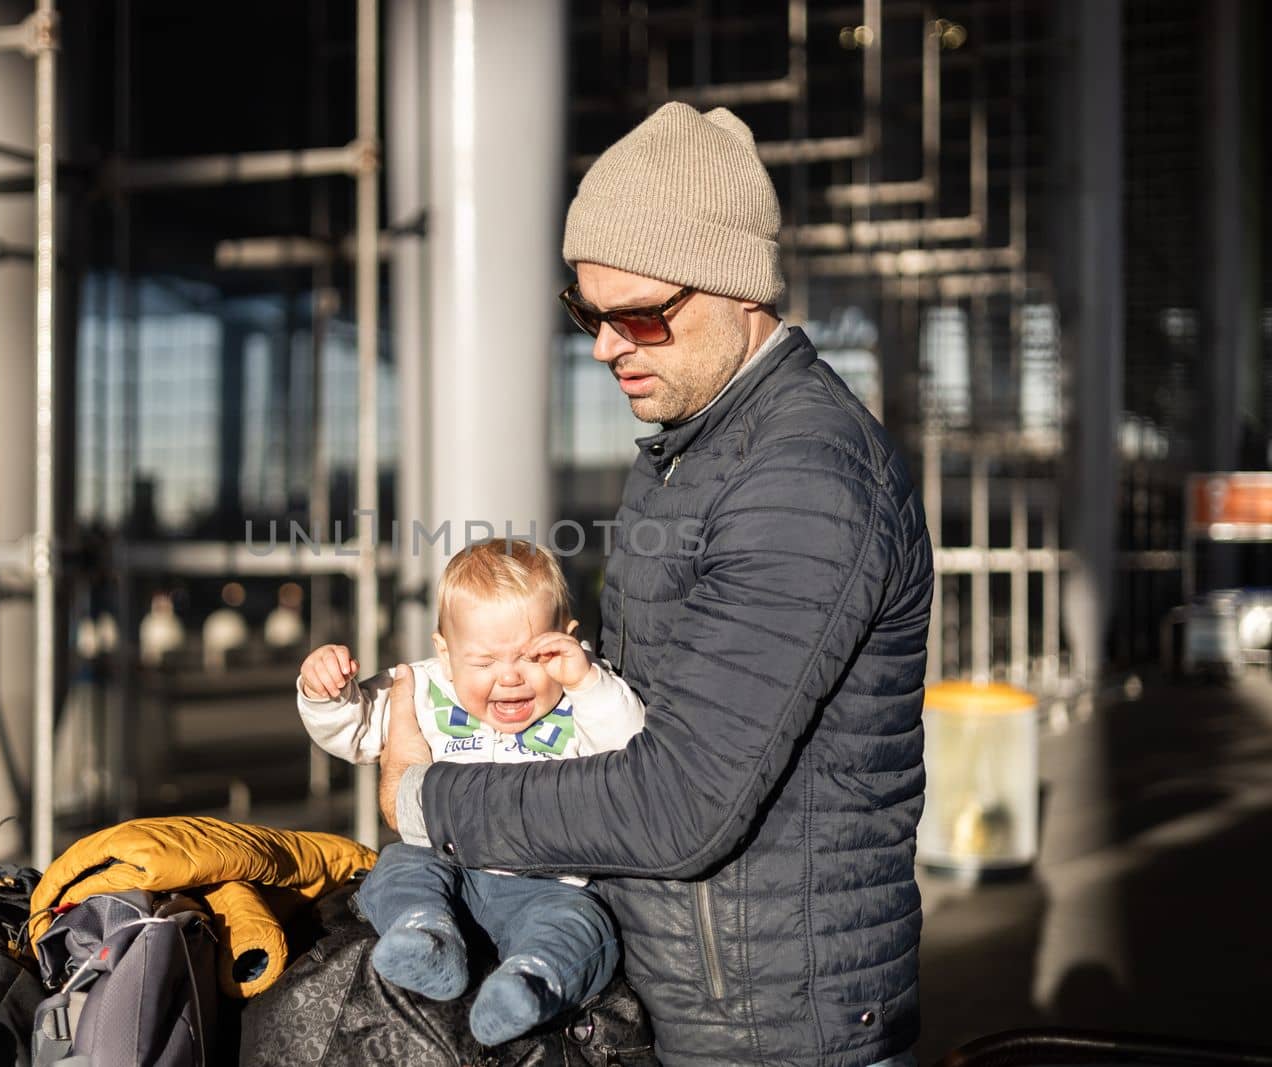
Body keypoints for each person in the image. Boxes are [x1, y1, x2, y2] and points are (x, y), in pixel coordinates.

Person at [381, 102, 933, 1067]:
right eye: (586, 313)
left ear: (739, 289)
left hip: (772, 1032)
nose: (604, 345)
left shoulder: (802, 479)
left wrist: (425, 796)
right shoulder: (694, 453)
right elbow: (636, 718)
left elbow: (678, 803)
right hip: (699, 1002)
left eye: (637, 313)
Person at [297, 540, 645, 1046]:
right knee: (397, 867)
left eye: (532, 656)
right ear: (445, 652)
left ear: (568, 639)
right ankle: (424, 935)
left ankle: (528, 985)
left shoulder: (584, 692)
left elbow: (631, 744)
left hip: (551, 886)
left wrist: (586, 680)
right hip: (447, 870)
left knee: (584, 927)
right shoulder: (423, 687)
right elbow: (357, 729)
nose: (509, 678)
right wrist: (326, 692)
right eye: (483, 662)